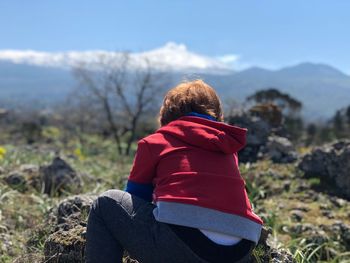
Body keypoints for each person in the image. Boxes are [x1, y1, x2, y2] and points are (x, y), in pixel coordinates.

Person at [85, 80, 263, 263]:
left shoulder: (156, 141)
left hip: (182, 246)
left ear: (166, 114)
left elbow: (136, 198)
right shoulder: (227, 147)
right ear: (217, 115)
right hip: (239, 251)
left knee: (105, 203)